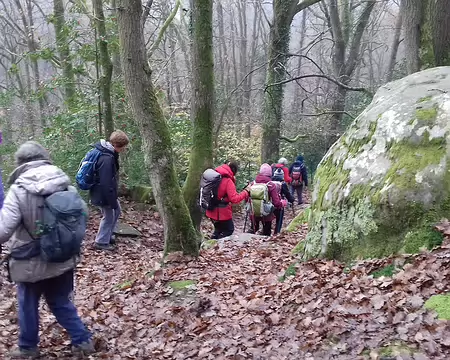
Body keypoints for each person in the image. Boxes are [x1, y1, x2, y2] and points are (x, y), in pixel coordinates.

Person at [0, 141, 94, 358]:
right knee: (60, 300)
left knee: (27, 304)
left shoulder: (19, 189)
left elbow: (3, 231)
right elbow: (82, 214)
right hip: (63, 256)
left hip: (29, 261)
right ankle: (82, 340)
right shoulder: (64, 183)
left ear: (20, 163)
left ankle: (27, 348)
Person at [90, 130, 129, 251]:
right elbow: (106, 182)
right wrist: (111, 200)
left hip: (105, 192)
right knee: (109, 216)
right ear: (117, 145)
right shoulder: (106, 158)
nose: (123, 150)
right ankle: (100, 242)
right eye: (123, 147)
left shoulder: (109, 153)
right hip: (103, 193)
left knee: (117, 211)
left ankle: (107, 236)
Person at [205, 161, 250, 239]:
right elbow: (235, 199)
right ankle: (217, 246)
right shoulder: (227, 181)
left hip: (210, 209)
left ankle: (211, 245)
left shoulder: (215, 176)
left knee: (218, 229)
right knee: (229, 230)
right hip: (221, 213)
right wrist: (246, 191)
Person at [249, 163, 287, 236]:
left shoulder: (253, 183)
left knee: (254, 228)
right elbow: (276, 202)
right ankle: (268, 236)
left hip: (253, 212)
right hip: (266, 213)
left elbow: (247, 198)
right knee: (267, 231)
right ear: (270, 173)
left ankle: (253, 232)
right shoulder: (270, 185)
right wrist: (282, 203)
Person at [271, 168, 295, 235]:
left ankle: (267, 232)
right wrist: (292, 199)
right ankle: (277, 232)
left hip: (269, 204)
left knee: (269, 219)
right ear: (282, 176)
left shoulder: (269, 182)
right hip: (278, 204)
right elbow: (287, 194)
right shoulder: (283, 184)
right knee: (279, 219)